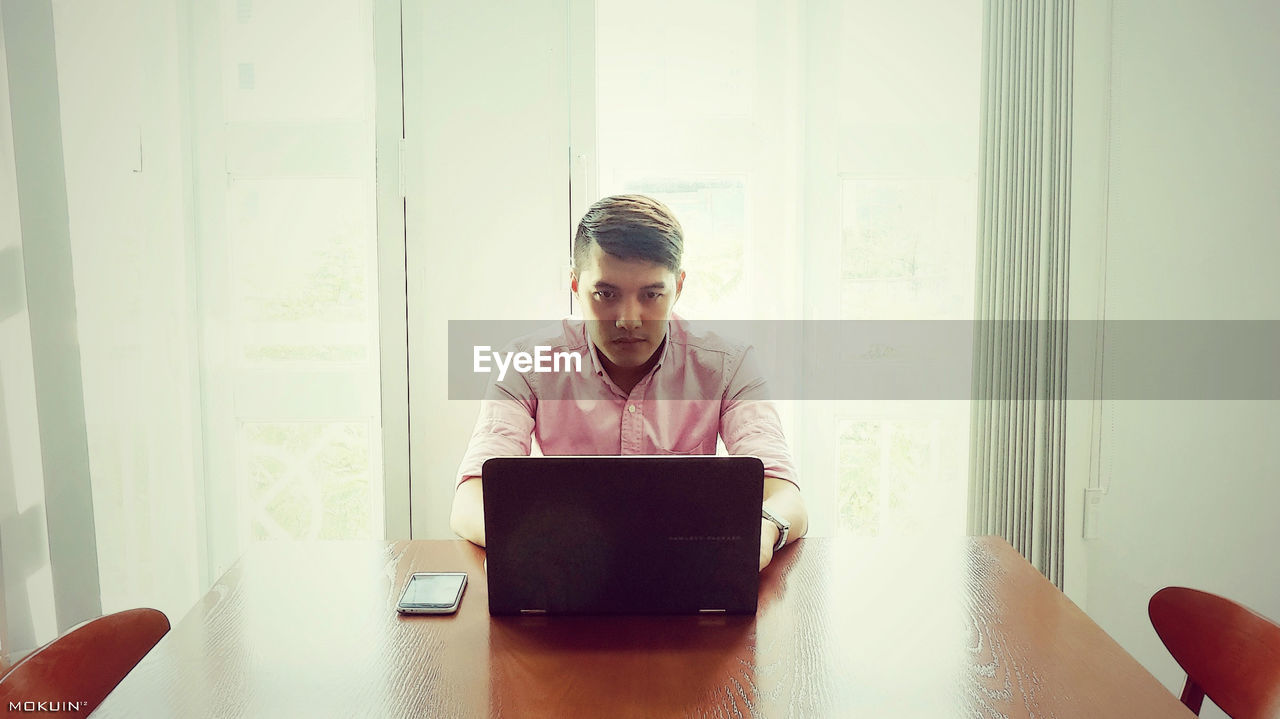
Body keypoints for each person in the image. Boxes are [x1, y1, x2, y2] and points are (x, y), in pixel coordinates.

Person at [450, 194, 807, 570]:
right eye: (606, 294)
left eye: (652, 295)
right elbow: (471, 497)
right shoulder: (524, 364)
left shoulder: (729, 365)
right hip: (569, 575)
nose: (629, 320)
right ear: (575, 285)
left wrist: (760, 533)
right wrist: (524, 539)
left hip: (685, 574)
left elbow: (784, 494)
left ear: (679, 287)